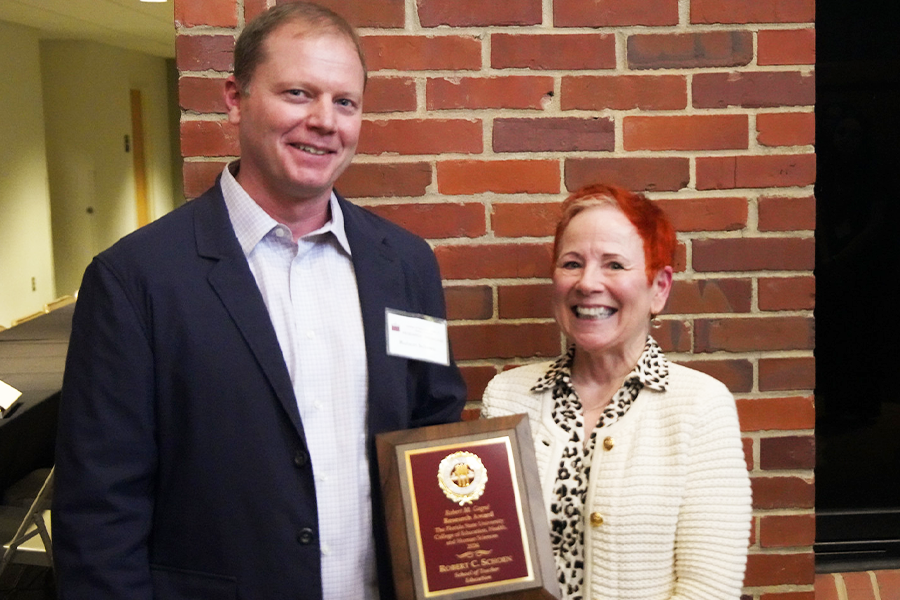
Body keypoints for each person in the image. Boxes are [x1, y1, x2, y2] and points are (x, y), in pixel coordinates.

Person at [52, 3, 466, 599]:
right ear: (234, 97)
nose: (325, 121)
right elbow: (99, 513)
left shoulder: (405, 265)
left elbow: (433, 429)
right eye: (298, 93)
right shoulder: (136, 281)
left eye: (345, 102)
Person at [482, 184, 751, 600]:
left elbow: (708, 588)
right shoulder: (506, 397)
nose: (588, 283)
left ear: (659, 288)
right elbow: (482, 558)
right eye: (572, 263)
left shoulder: (700, 407)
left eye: (614, 265)